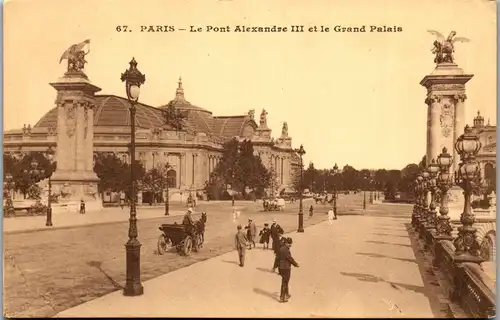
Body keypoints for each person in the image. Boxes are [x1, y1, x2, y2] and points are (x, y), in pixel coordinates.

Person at [278, 237, 299, 303]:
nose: (290, 245)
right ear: (287, 243)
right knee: (285, 282)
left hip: (281, 267)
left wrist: (275, 267)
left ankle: (286, 294)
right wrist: (295, 264)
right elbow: (289, 258)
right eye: (290, 244)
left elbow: (277, 258)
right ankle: (282, 297)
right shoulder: (286, 250)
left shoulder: (281, 248)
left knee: (285, 281)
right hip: (286, 268)